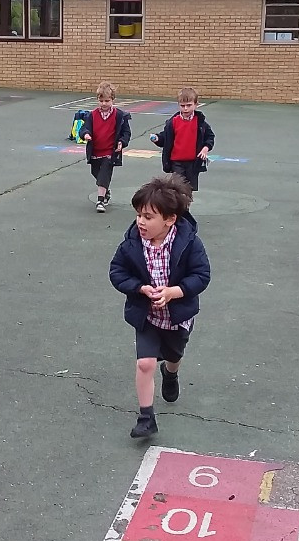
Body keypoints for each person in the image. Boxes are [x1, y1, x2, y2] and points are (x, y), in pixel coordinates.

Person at [109, 174, 211, 439]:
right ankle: (146, 417)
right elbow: (117, 271)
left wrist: (173, 292)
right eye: (139, 215)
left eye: (148, 217)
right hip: (147, 317)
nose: (141, 222)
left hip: (177, 316)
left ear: (170, 220)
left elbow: (201, 275)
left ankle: (171, 372)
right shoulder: (132, 243)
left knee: (174, 355)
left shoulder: (188, 243)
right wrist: (139, 288)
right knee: (145, 363)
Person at [150, 87, 215, 192]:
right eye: (182, 106)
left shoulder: (200, 123)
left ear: (196, 105)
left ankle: (185, 208)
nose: (185, 109)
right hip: (176, 162)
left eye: (189, 105)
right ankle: (179, 208)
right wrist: (157, 138)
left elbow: (210, 137)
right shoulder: (173, 122)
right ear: (178, 105)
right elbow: (166, 138)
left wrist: (205, 149)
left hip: (193, 163)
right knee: (177, 188)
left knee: (189, 190)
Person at [81, 81, 131, 212]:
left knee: (104, 173)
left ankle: (100, 201)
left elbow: (126, 132)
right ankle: (106, 191)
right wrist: (86, 134)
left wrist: (121, 142)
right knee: (96, 173)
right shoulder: (92, 115)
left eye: (107, 101)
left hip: (110, 151)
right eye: (101, 100)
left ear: (113, 100)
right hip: (95, 151)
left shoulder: (120, 116)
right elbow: (84, 128)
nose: (104, 104)